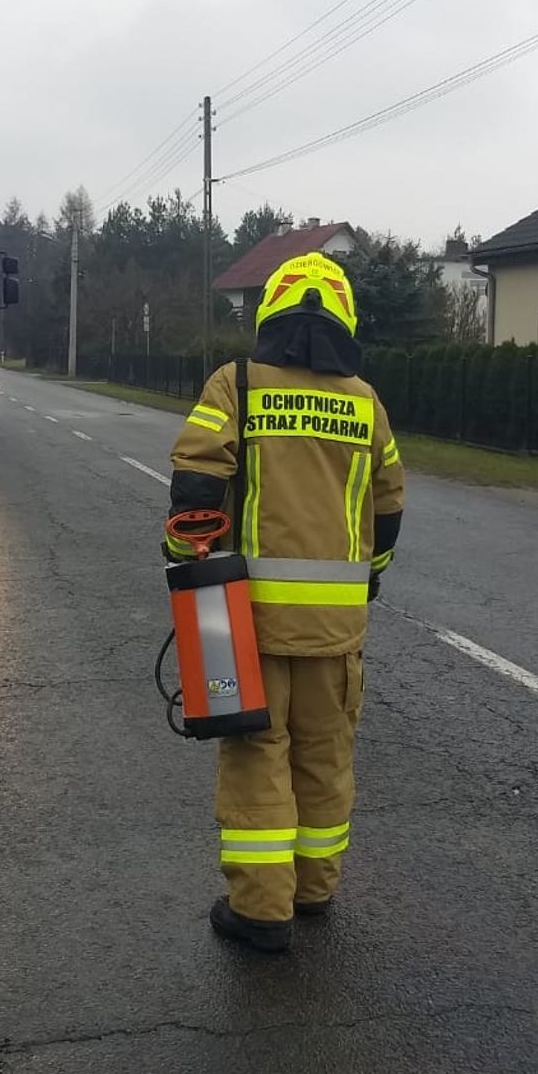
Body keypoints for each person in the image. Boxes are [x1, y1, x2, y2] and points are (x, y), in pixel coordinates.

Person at [164, 250, 404, 953]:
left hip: (248, 622)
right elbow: (388, 506)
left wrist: (184, 557)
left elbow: (197, 481)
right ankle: (314, 888)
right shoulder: (365, 401)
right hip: (337, 628)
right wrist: (370, 575)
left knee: (257, 752)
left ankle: (262, 910)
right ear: (344, 318)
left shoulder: (236, 383)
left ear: (270, 311)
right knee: (325, 754)